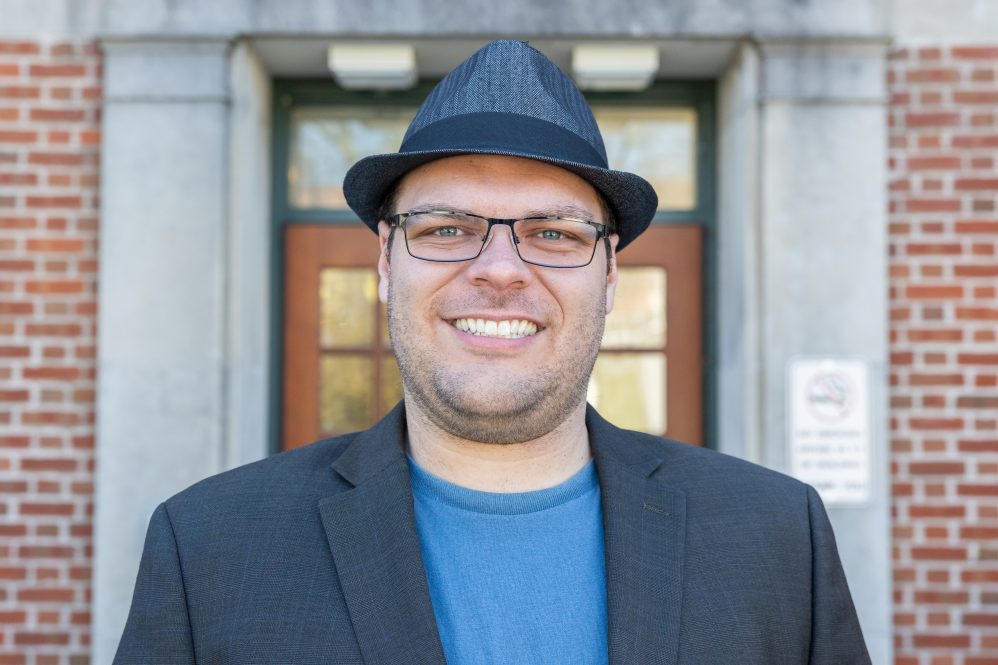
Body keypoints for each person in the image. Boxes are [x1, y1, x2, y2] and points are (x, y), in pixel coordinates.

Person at [114, 40, 871, 664]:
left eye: (554, 233)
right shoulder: (209, 549)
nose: (501, 269)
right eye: (445, 228)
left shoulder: (777, 541)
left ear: (610, 274)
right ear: (384, 261)